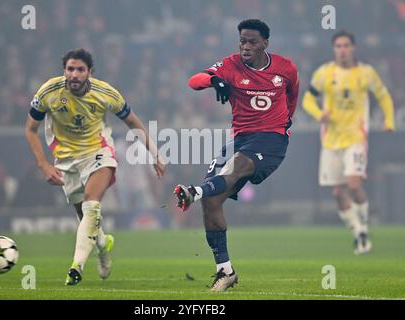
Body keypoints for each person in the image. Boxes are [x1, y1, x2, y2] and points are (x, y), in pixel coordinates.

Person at [173, 19, 299, 291]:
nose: (246, 46)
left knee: (235, 168)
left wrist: (285, 123)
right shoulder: (230, 65)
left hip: (272, 138)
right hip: (240, 138)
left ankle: (195, 191)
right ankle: (225, 271)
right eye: (242, 40)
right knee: (213, 199)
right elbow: (194, 81)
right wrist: (215, 80)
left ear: (265, 43)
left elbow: (292, 96)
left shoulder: (285, 68)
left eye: (252, 41)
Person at [25, 48, 165, 285]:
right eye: (70, 69)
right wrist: (43, 165)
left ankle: (76, 266)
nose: (75, 74)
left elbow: (133, 122)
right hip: (66, 159)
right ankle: (103, 247)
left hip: (98, 153)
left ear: (89, 73)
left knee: (91, 205)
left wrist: (154, 153)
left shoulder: (105, 93)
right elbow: (30, 129)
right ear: (64, 71)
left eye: (80, 70)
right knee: (84, 215)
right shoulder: (48, 91)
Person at [302, 30, 395, 255]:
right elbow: (307, 99)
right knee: (337, 192)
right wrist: (318, 113)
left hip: (356, 137)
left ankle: (363, 227)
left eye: (346, 45)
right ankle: (357, 232)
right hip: (331, 141)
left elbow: (383, 95)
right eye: (339, 46)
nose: (342, 50)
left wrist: (389, 120)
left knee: (354, 184)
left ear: (353, 48)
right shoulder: (324, 73)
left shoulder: (366, 73)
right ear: (334, 49)